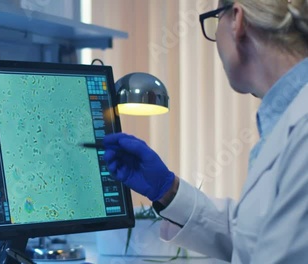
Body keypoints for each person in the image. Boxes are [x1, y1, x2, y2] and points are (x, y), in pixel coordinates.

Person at [103, 0, 308, 263]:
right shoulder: (288, 118)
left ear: (237, 20)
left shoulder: (302, 130)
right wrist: (167, 189)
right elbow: (255, 238)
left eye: (214, 20)